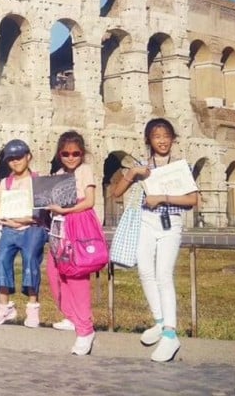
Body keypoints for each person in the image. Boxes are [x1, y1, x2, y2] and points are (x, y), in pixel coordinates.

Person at [110, 118, 198, 362]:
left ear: (173, 139)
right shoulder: (141, 166)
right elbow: (116, 193)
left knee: (163, 275)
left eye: (166, 135)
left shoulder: (182, 166)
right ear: (149, 139)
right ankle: (159, 322)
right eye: (157, 136)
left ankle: (171, 333)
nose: (162, 140)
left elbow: (192, 200)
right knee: (146, 272)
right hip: (146, 222)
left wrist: (163, 197)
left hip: (170, 223)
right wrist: (131, 173)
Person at [44, 130, 99, 355]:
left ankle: (85, 330)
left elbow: (90, 201)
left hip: (77, 225)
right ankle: (72, 316)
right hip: (59, 227)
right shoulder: (57, 173)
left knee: (76, 276)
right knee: (55, 273)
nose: (71, 157)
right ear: (60, 154)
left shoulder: (85, 170)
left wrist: (65, 209)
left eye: (76, 153)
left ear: (82, 153)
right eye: (66, 153)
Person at [0, 139, 48, 328]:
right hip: (9, 227)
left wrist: (22, 220)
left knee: (30, 259)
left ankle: (32, 307)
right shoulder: (6, 182)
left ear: (28, 156)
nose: (15, 161)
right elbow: (1, 206)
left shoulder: (38, 181)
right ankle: (4, 306)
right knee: (2, 260)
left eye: (19, 157)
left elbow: (41, 211)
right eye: (11, 159)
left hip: (32, 227)